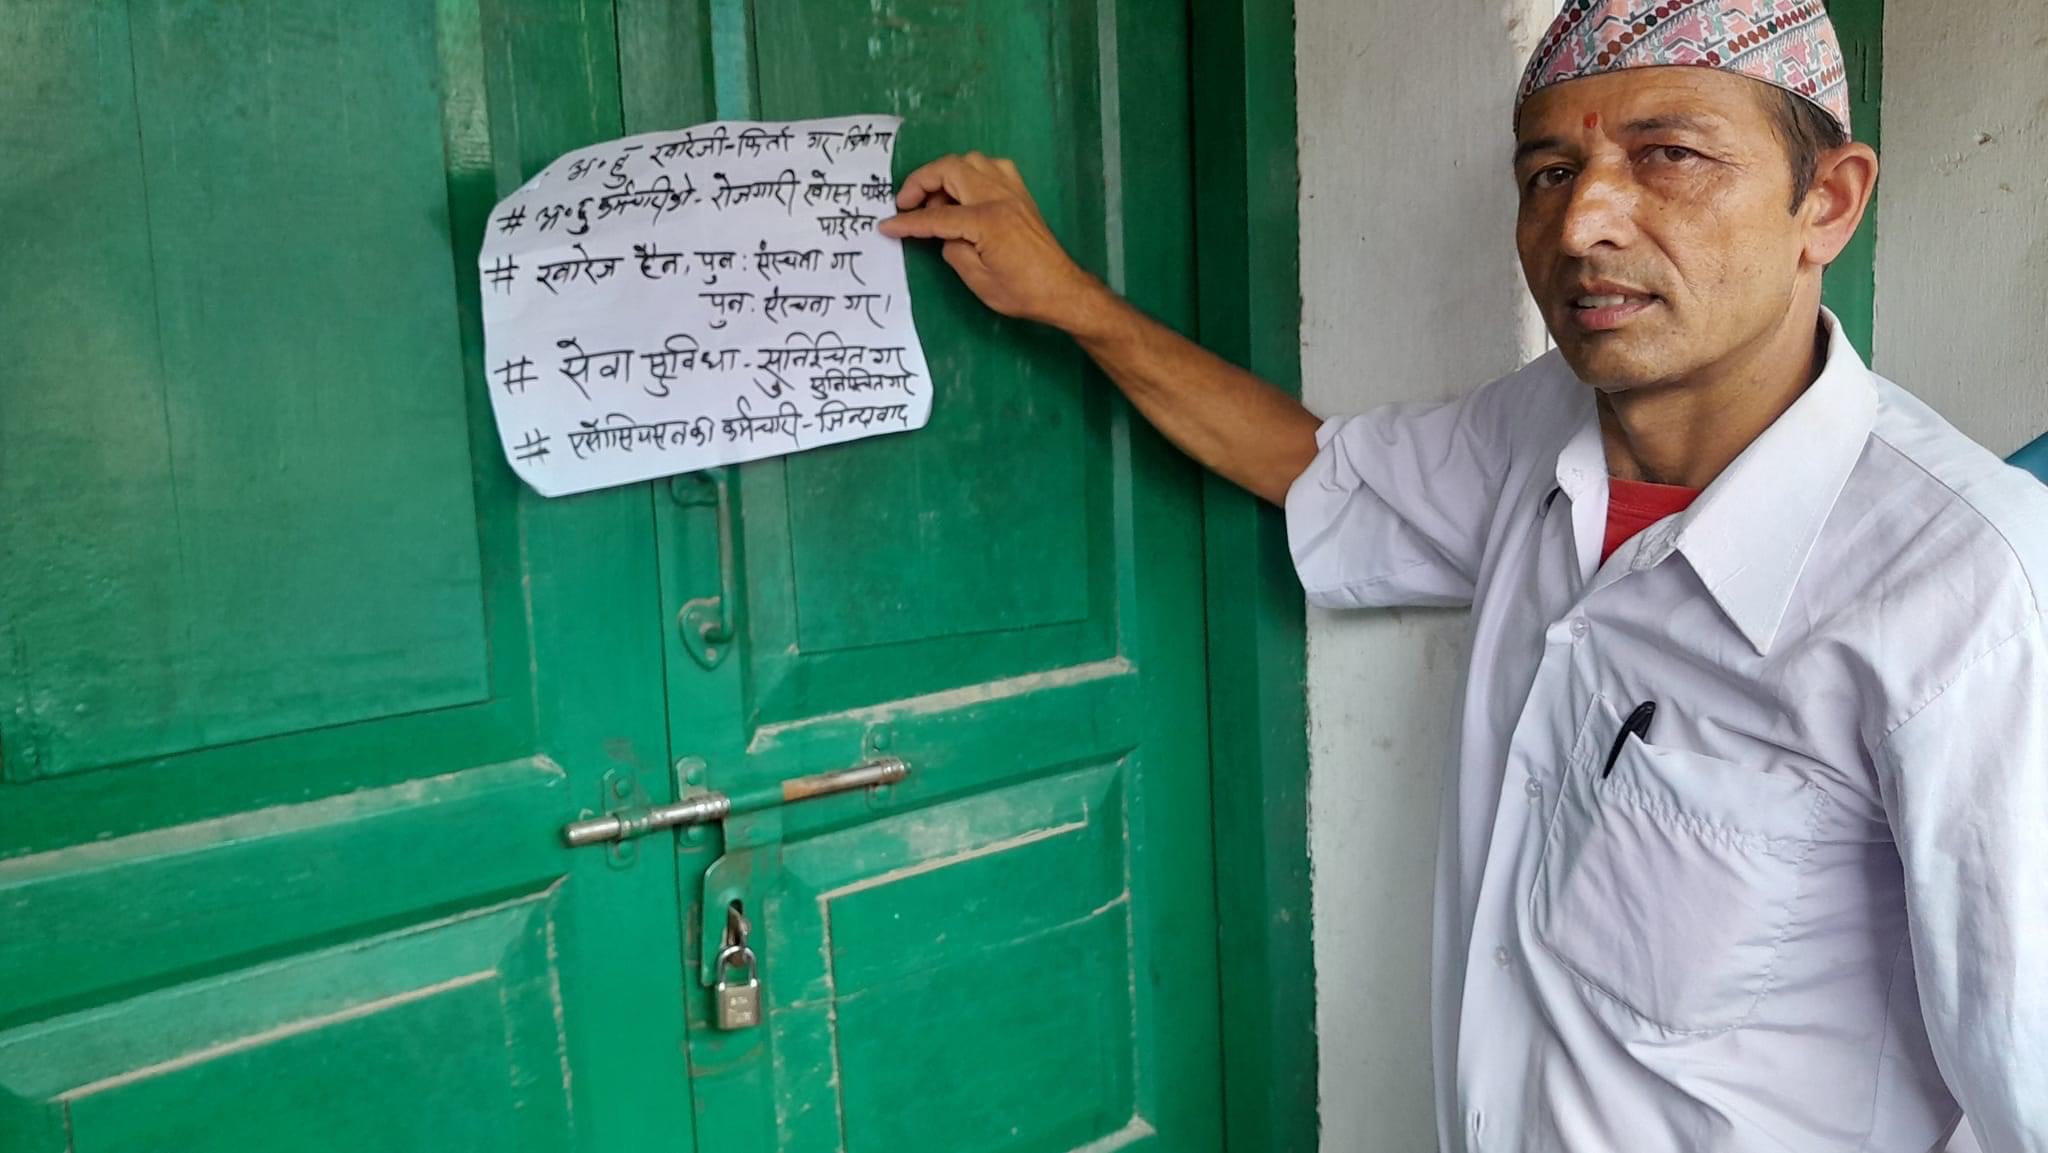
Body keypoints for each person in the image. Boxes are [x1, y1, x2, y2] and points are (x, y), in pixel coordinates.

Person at [880, 1, 2048, 1150]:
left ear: (1825, 202)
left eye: (1669, 156)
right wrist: (1064, 298)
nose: (1582, 222)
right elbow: (1317, 470)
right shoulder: (1535, 433)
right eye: (1547, 172)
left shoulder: (1965, 589)